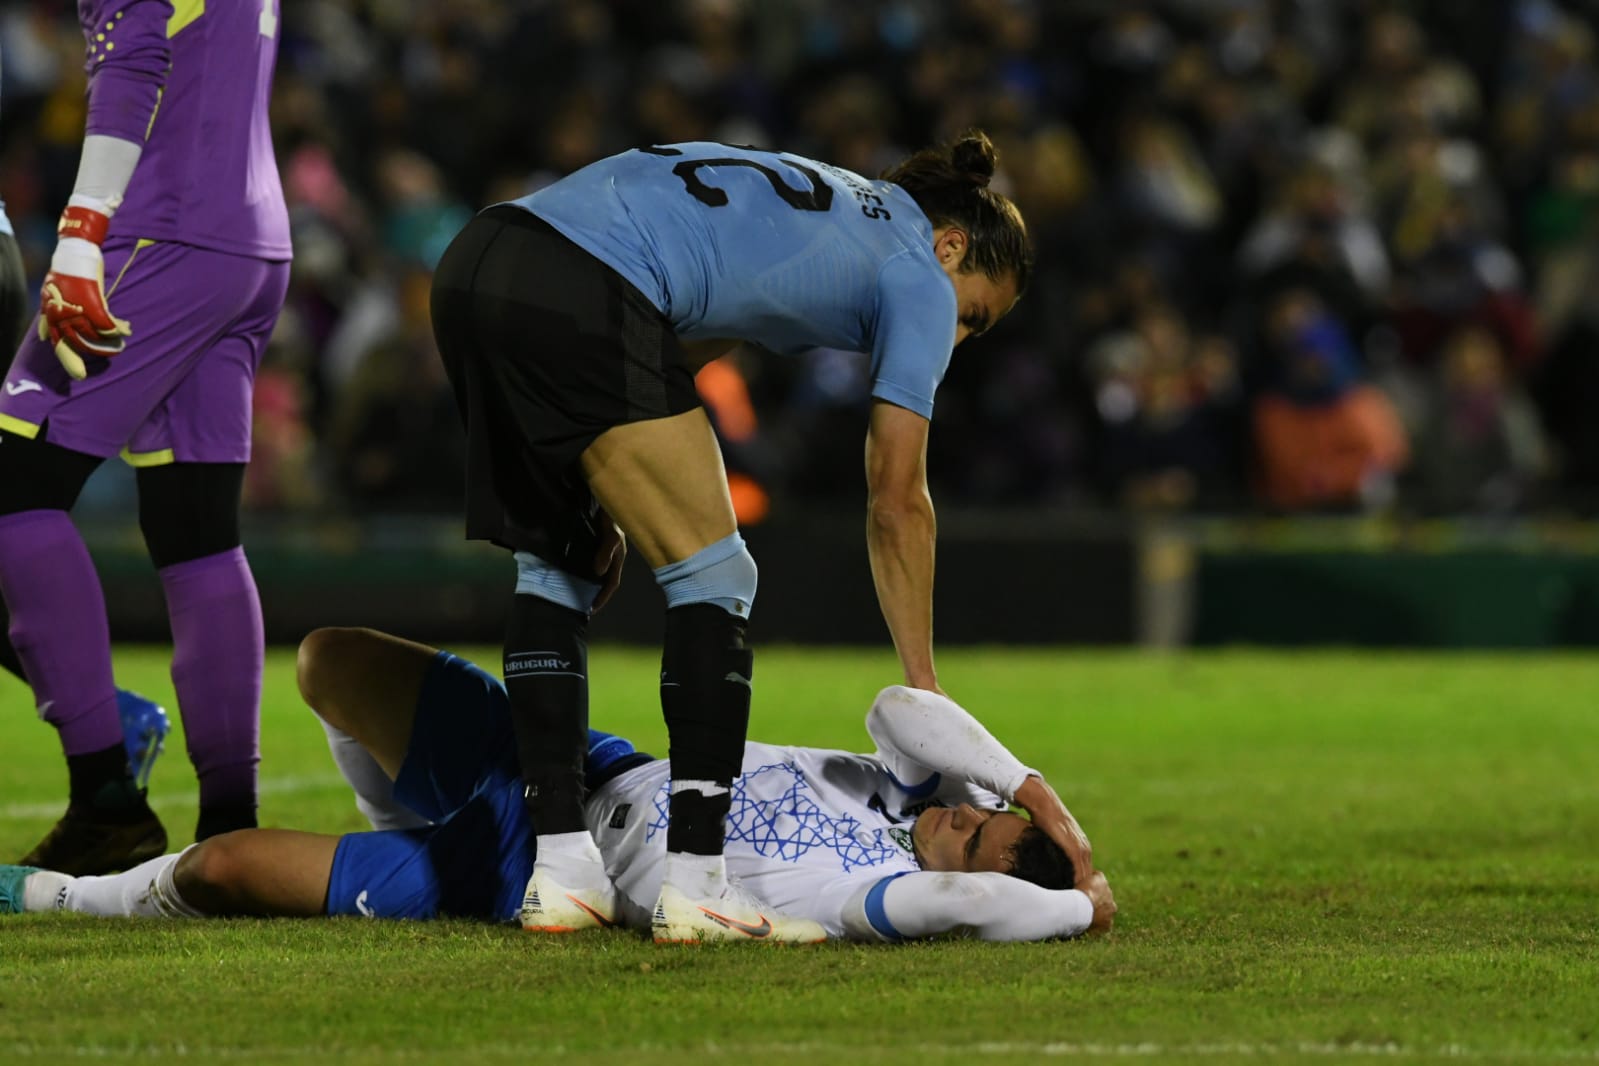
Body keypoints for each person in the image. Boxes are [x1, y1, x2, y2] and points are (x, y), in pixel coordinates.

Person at [429, 132, 1031, 939]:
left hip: (479, 262)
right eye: (972, 317)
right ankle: (699, 883)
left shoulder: (821, 215)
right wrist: (924, 689)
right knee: (715, 577)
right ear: (950, 244)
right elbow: (896, 499)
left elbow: (667, 347)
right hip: (587, 282)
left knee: (554, 568)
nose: (955, 341)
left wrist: (607, 502)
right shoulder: (916, 268)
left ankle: (564, 867)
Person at [0, 628, 1116, 942]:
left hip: (525, 863)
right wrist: (1035, 789)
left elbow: (969, 898)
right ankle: (404, 816)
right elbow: (895, 704)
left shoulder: (870, 895)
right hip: (579, 760)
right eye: (982, 814)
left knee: (227, 868)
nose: (959, 821)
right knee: (329, 661)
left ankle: (41, 896)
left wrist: (1077, 903)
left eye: (972, 834)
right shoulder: (904, 791)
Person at [0, 0, 292, 875]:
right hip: (251, 242)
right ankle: (230, 823)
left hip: (159, 228)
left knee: (13, 489)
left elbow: (132, 61)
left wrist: (81, 235)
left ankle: (105, 800)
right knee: (195, 528)